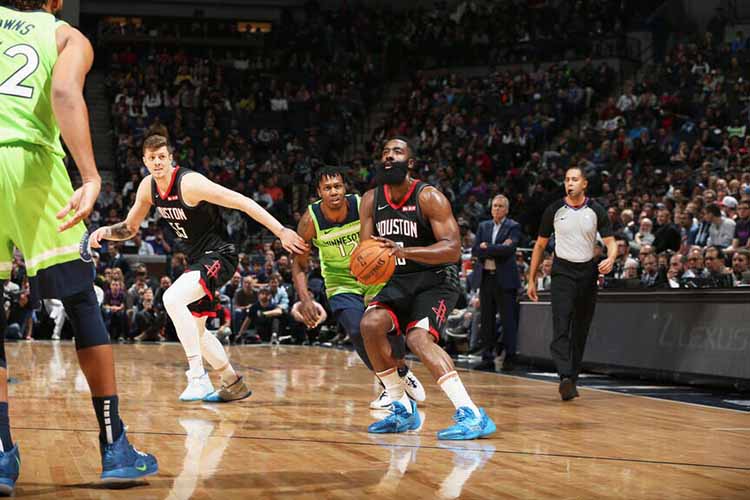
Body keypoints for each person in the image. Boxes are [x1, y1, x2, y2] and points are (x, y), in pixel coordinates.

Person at [0, 0, 157, 490]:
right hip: (30, 164)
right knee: (81, 302)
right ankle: (115, 447)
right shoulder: (65, 35)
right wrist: (90, 175)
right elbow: (65, 90)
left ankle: (1, 454)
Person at [90, 134, 308, 403]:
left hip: (220, 254)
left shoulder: (190, 183)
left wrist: (281, 230)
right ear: (144, 162)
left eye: (162, 157)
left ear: (171, 158)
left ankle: (197, 376)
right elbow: (129, 227)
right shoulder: (147, 187)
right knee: (198, 331)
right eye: (152, 158)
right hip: (197, 260)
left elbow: (242, 201)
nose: (157, 162)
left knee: (172, 297)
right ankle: (232, 382)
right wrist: (105, 231)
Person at [359, 137, 495, 440]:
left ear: (410, 163)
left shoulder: (429, 197)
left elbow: (452, 249)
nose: (389, 156)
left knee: (418, 338)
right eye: (385, 152)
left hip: (436, 280)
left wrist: (405, 252)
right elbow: (366, 249)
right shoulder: (370, 200)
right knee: (370, 324)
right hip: (398, 279)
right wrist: (366, 268)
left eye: (397, 152)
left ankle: (472, 414)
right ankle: (401, 407)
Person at [290, 166, 425, 410]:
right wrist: (306, 299)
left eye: (337, 186)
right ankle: (389, 386)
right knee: (356, 328)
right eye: (327, 188)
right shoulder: (310, 220)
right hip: (340, 282)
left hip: (374, 275)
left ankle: (401, 368)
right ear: (319, 192)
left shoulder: (363, 205)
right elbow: (299, 264)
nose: (334, 192)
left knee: (386, 327)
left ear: (345, 188)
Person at [527, 166, 616, 401]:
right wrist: (531, 279)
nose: (570, 183)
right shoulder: (554, 210)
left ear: (584, 184)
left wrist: (611, 258)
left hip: (587, 272)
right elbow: (540, 245)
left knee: (581, 328)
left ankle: (571, 379)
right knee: (561, 323)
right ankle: (564, 375)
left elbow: (611, 242)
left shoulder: (596, 210)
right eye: (567, 179)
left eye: (575, 179)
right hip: (562, 272)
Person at [471, 194, 521, 372]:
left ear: (506, 209)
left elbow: (509, 250)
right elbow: (475, 250)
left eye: (500, 206)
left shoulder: (513, 226)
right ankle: (487, 358)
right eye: (494, 206)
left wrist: (488, 247)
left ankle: (510, 357)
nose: (497, 209)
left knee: (508, 322)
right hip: (486, 278)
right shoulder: (483, 226)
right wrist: (495, 248)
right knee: (486, 321)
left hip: (505, 280)